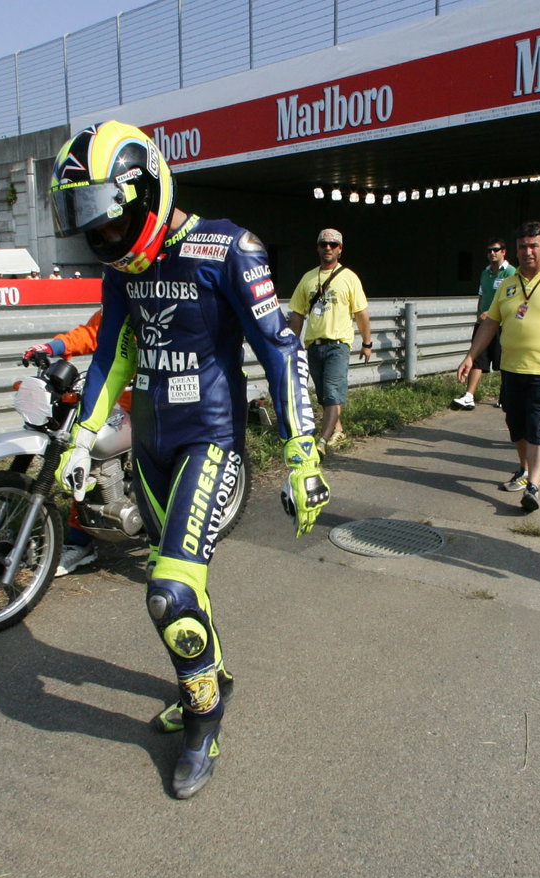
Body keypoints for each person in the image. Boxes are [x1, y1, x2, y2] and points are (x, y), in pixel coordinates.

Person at [48, 120, 327, 799]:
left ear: (143, 191)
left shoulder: (232, 246)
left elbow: (280, 349)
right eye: (90, 225)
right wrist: (82, 437)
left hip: (210, 442)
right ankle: (210, 676)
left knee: (167, 592)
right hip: (150, 449)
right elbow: (114, 350)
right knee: (186, 593)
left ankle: (204, 721)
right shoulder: (122, 269)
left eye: (110, 220)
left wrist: (303, 454)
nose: (104, 239)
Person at [455, 222, 540, 513]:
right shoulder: (508, 283)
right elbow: (491, 323)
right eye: (522, 247)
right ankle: (524, 469)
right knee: (517, 426)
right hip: (512, 369)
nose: (527, 252)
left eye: (533, 246)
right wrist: (470, 355)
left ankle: (534, 487)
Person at [25, 310, 109, 576]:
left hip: (149, 395)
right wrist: (51, 347)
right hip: (107, 394)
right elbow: (89, 334)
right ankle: (79, 541)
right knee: (77, 457)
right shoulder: (122, 299)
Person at [288, 228, 373, 453]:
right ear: (317, 247)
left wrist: (367, 343)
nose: (328, 248)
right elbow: (297, 314)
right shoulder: (307, 278)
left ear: (340, 249)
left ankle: (322, 442)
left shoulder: (349, 277)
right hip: (314, 346)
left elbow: (361, 314)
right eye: (324, 244)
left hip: (338, 345)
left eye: (333, 245)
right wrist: (291, 346)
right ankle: (338, 430)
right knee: (325, 396)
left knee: (333, 392)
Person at [453, 238, 515, 410]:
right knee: (477, 358)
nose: (492, 253)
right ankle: (469, 395)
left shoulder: (511, 273)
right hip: (483, 323)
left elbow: (512, 300)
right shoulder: (485, 273)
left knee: (503, 362)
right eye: (489, 251)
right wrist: (479, 312)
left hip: (502, 324)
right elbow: (481, 294)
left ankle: (506, 396)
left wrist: (495, 313)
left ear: (504, 251)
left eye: (496, 250)